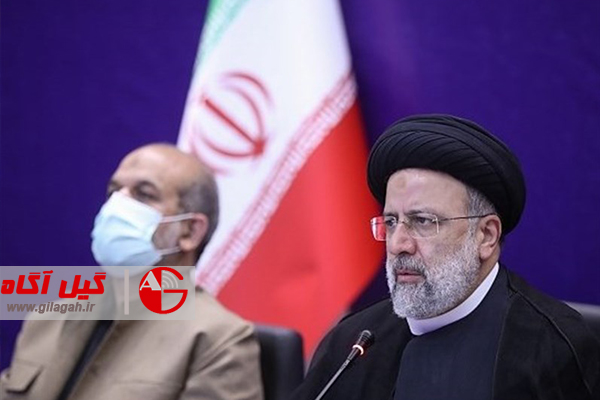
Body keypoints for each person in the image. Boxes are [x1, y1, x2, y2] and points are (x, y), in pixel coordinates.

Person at [290, 114, 600, 400]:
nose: (398, 244)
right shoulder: (354, 342)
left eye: (423, 221)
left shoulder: (552, 350)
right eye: (391, 222)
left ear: (486, 235)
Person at [0, 144, 264, 400]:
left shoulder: (219, 341)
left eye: (144, 195)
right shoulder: (50, 316)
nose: (118, 204)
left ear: (190, 232)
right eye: (114, 191)